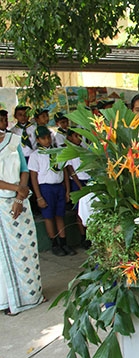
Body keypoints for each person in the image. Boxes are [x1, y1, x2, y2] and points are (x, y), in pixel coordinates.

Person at [0, 121, 44, 315]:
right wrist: (17, 189)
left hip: (20, 201)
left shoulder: (12, 140)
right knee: (4, 255)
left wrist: (19, 197)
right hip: (3, 202)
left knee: (25, 248)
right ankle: (8, 300)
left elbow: (24, 169)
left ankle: (31, 296)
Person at [28, 126, 76, 257]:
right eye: (43, 138)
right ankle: (54, 243)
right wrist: (38, 196)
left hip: (59, 187)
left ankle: (63, 242)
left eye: (48, 137)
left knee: (60, 215)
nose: (47, 140)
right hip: (45, 188)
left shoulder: (58, 152)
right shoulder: (35, 155)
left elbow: (65, 172)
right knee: (49, 217)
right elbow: (33, 177)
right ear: (38, 140)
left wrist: (67, 190)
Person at [64, 129, 91, 249]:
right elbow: (71, 170)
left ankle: (91, 236)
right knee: (80, 211)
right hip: (78, 182)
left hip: (88, 180)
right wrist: (79, 186)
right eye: (76, 136)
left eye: (80, 136)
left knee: (90, 209)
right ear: (69, 138)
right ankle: (83, 236)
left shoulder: (84, 148)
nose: (79, 139)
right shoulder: (69, 151)